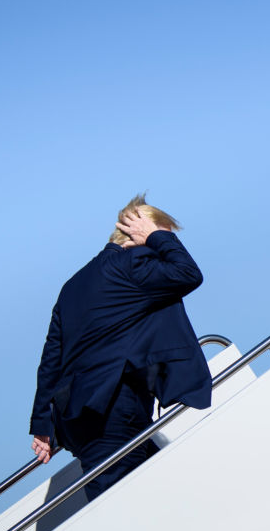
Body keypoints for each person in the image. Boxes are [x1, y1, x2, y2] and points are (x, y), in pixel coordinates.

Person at [29, 194, 212, 501]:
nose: (164, 246)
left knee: (157, 489)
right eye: (165, 236)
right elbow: (187, 274)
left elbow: (51, 358)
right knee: (122, 510)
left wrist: (42, 423)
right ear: (140, 232)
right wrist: (156, 237)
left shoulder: (73, 285)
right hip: (114, 409)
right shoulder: (133, 264)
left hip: (79, 419)